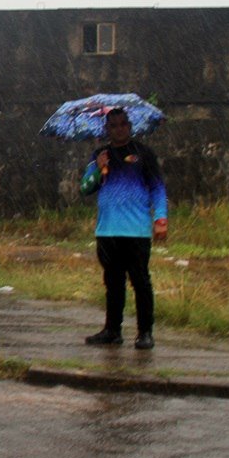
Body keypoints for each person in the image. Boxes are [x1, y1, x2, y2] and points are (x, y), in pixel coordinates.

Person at [80, 107, 168, 350]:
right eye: (113, 125)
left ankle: (145, 332)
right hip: (107, 231)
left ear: (130, 126)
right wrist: (98, 168)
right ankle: (112, 330)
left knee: (140, 281)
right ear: (106, 129)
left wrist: (161, 218)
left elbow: (158, 189)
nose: (119, 129)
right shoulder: (100, 155)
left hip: (136, 231)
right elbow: (86, 188)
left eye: (123, 124)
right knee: (113, 282)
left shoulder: (143, 154)